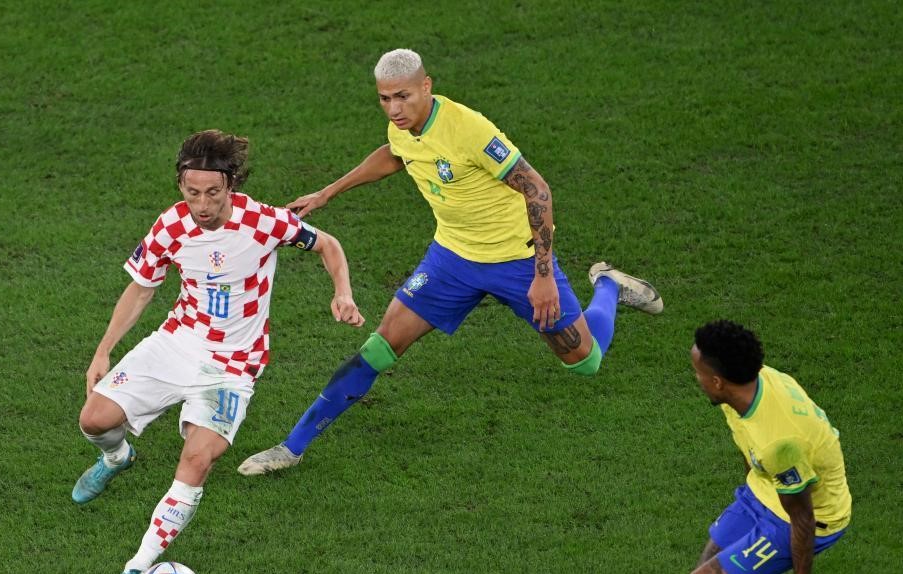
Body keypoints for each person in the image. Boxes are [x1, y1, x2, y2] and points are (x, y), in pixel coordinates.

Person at [237, 48, 662, 476]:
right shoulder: (403, 126)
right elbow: (395, 153)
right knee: (380, 347)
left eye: (402, 97)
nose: (393, 109)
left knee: (584, 360)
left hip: (516, 261)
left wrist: (544, 274)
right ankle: (291, 448)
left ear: (426, 86)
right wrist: (328, 192)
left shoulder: (469, 130)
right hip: (452, 260)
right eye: (384, 99)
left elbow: (537, 190)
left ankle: (608, 285)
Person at [73, 129, 365, 574]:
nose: (203, 204)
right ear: (180, 186)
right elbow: (142, 288)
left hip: (232, 364)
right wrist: (104, 349)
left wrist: (343, 293)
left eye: (213, 193)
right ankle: (116, 458)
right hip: (176, 343)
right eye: (192, 193)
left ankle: (139, 564)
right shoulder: (171, 225)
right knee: (94, 419)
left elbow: (327, 245)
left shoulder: (263, 221)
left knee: (198, 457)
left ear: (230, 184)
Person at [681, 320, 852, 574]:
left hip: (808, 516)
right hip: (765, 491)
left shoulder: (780, 441)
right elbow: (750, 446)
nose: (696, 378)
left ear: (717, 382)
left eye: (698, 372)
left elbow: (803, 517)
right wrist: (749, 497)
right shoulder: (748, 386)